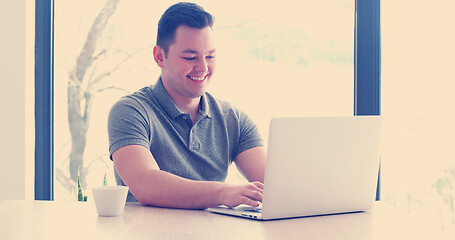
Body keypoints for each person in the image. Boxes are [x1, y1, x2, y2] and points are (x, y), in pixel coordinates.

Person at [108, 2, 266, 209]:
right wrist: (224, 192)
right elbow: (145, 185)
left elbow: (275, 186)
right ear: (159, 57)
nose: (203, 67)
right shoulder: (131, 111)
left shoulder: (233, 119)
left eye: (210, 56)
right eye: (190, 57)